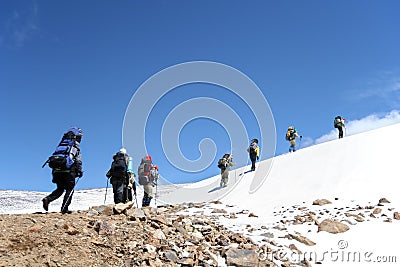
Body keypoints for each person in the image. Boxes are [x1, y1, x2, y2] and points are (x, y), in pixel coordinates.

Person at [42, 127, 83, 214]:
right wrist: (79, 171)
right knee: (70, 189)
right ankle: (64, 209)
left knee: (60, 189)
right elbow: (78, 160)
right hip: (68, 170)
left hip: (56, 170)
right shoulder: (75, 146)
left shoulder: (61, 145)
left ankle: (48, 199)